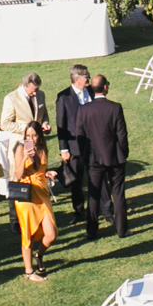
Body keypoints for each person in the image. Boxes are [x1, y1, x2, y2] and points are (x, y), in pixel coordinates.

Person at [80, 75, 130, 239]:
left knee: (93, 195)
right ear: (105, 88)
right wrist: (123, 152)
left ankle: (91, 231)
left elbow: (80, 136)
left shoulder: (84, 110)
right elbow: (121, 134)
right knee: (118, 194)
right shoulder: (115, 108)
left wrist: (85, 155)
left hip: (94, 159)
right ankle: (122, 229)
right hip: (115, 157)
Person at [11, 119, 58, 282]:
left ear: (40, 136)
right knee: (28, 234)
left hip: (42, 192)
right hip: (26, 195)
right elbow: (18, 175)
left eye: (34, 135)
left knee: (51, 234)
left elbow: (39, 170)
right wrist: (24, 156)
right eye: (27, 135)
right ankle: (29, 271)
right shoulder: (20, 148)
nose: (30, 138)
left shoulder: (43, 148)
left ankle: (39, 255)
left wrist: (46, 174)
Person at [53, 64, 93, 218]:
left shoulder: (90, 91)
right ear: (77, 79)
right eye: (86, 77)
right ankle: (79, 211)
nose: (88, 79)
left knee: (98, 176)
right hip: (74, 147)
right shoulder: (64, 97)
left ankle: (104, 207)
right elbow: (61, 124)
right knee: (76, 181)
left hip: (93, 144)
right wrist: (63, 149)